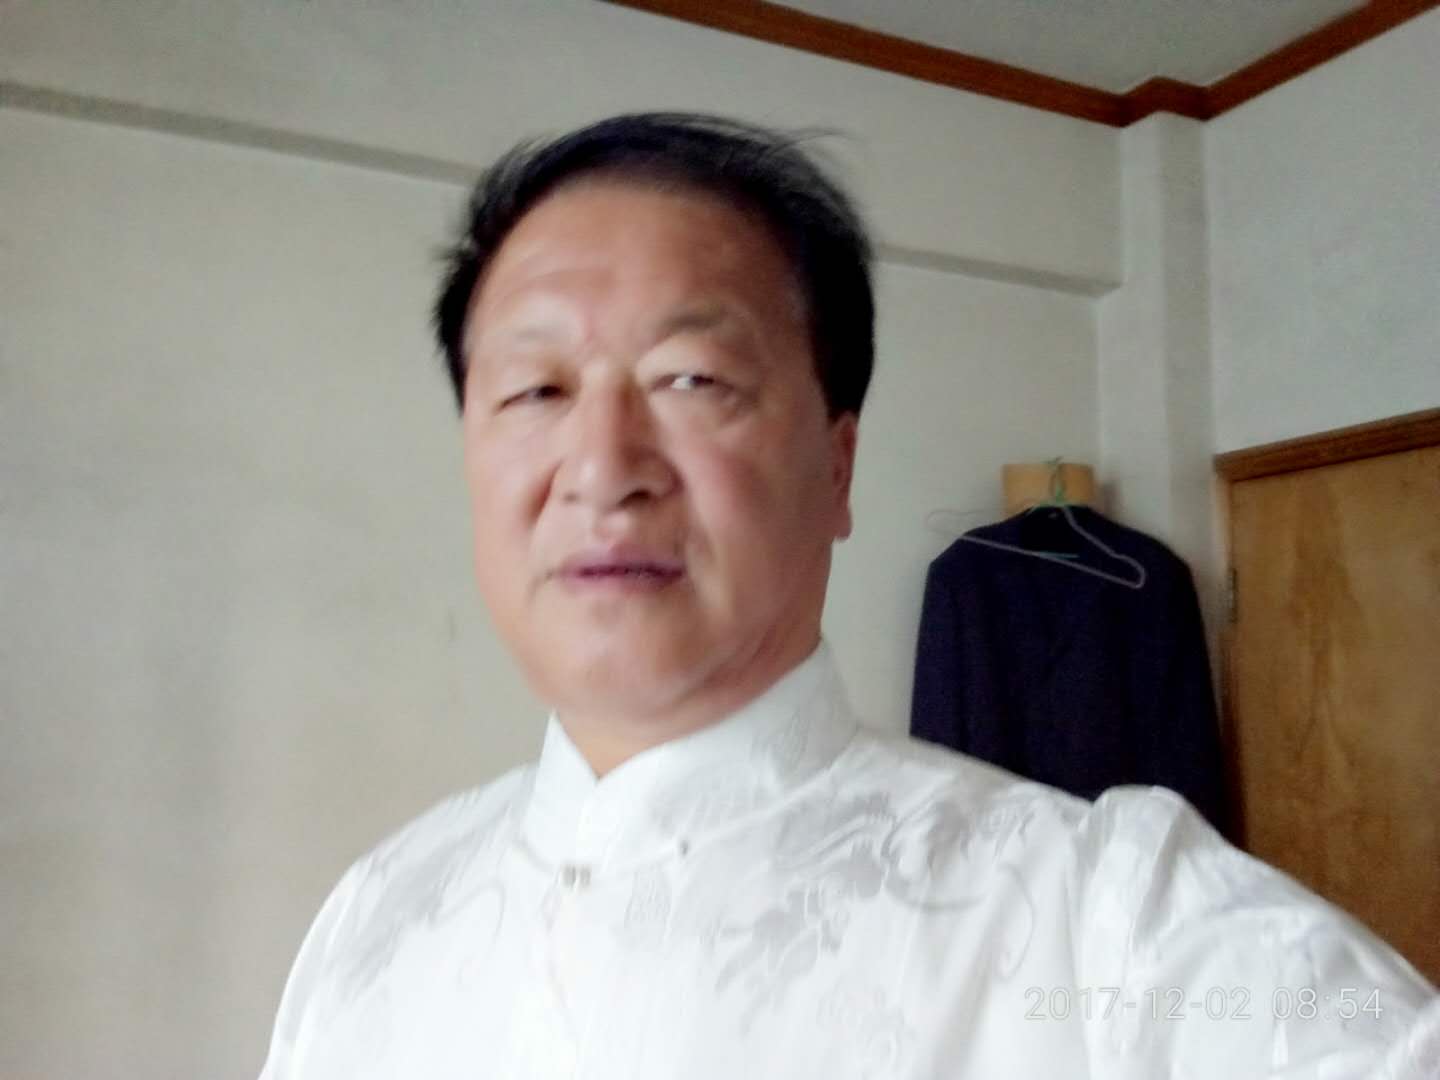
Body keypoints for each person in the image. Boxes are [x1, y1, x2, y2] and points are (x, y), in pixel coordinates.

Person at [258, 113, 1438, 1079]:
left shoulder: (1107, 920)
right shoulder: (378, 912)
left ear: (837, 466)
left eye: (691, 378)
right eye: (534, 390)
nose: (604, 467)